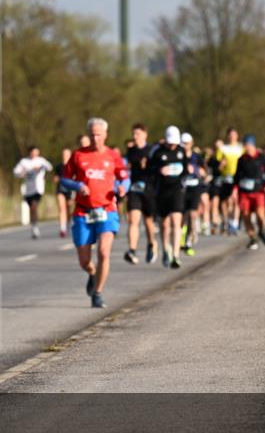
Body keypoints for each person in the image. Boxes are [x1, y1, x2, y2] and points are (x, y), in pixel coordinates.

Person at [61, 118, 128, 308]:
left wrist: (123, 188)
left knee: (104, 252)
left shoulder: (113, 156)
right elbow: (65, 180)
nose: (95, 138)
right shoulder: (78, 155)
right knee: (84, 261)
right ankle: (92, 273)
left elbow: (125, 177)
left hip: (107, 210)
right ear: (88, 135)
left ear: (106, 135)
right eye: (92, 134)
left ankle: (98, 293)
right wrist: (78, 185)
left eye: (99, 134)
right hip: (83, 212)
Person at [149, 126, 188, 269]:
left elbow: (185, 169)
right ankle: (166, 249)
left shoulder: (181, 151)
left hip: (177, 190)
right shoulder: (158, 153)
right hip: (162, 192)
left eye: (175, 142)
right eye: (170, 142)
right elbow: (150, 170)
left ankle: (176, 255)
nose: (172, 145)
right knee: (165, 224)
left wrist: (185, 174)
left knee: (176, 222)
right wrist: (159, 171)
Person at [123, 123, 157, 264]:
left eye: (137, 134)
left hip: (149, 190)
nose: (135, 137)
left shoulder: (151, 150)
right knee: (133, 220)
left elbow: (157, 169)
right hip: (134, 190)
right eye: (133, 134)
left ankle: (151, 244)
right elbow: (126, 167)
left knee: (148, 221)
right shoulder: (130, 151)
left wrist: (148, 165)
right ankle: (132, 250)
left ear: (145, 135)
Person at [235, 134, 265, 250]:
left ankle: (262, 230)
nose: (247, 148)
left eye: (248, 145)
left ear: (253, 145)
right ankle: (253, 238)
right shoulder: (241, 159)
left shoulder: (261, 158)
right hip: (244, 192)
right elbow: (236, 176)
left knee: (260, 214)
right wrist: (235, 188)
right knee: (246, 216)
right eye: (245, 146)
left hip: (258, 191)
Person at [13, 146, 53, 239]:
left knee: (34, 207)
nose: (35, 154)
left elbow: (49, 167)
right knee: (32, 208)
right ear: (30, 153)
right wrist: (22, 172)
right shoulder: (24, 162)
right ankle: (34, 225)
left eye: (36, 153)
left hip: (38, 189)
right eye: (33, 153)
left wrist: (41, 167)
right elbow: (15, 172)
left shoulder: (41, 160)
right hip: (28, 189)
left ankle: (35, 228)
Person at [181, 132, 206, 256]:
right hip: (182, 188)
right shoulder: (179, 156)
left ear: (191, 143)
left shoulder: (196, 156)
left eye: (187, 143)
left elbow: (203, 171)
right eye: (183, 143)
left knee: (192, 215)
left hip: (195, 187)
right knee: (181, 216)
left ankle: (188, 242)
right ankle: (181, 236)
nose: (185, 146)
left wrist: (195, 170)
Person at [216, 128, 244, 235]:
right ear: (228, 136)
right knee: (225, 201)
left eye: (234, 134)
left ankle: (234, 223)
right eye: (230, 135)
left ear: (237, 136)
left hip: (237, 177)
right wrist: (220, 165)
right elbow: (217, 165)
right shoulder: (223, 149)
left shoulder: (241, 148)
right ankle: (226, 220)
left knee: (235, 199)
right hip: (225, 177)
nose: (232, 136)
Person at [53, 147, 73, 238]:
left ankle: (68, 225)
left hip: (70, 190)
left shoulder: (73, 166)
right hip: (60, 189)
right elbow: (55, 177)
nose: (65, 156)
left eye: (67, 154)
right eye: (63, 154)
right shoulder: (59, 166)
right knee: (62, 208)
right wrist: (56, 179)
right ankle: (62, 228)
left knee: (68, 209)